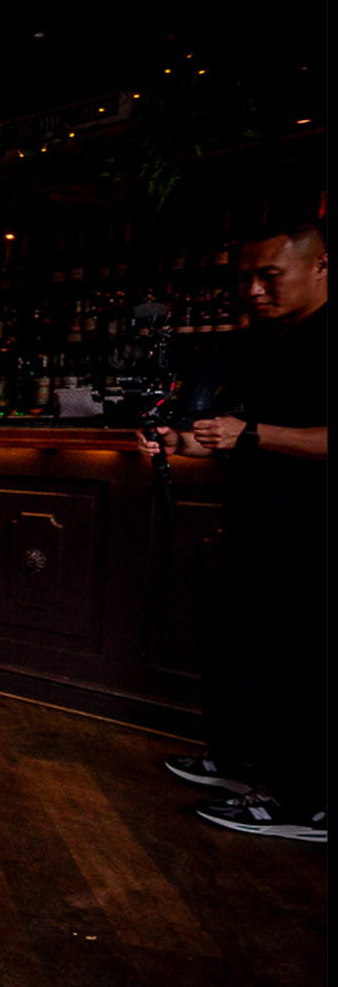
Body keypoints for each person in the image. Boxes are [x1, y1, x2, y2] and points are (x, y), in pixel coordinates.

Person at [143, 220, 327, 842]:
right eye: (245, 277)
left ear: (321, 265)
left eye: (268, 276)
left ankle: (306, 802)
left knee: (303, 667)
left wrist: (253, 435)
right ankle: (243, 765)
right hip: (258, 524)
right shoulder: (269, 345)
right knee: (244, 649)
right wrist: (181, 442)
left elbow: (261, 434)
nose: (252, 289)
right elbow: (232, 434)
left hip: (316, 533)